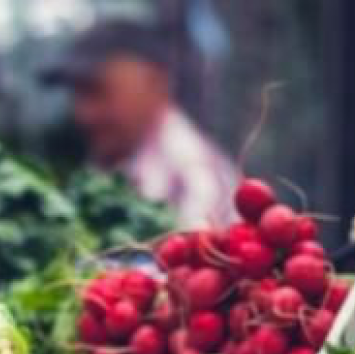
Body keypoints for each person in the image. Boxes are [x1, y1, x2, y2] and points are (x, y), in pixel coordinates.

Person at [44, 18, 237, 229]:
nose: (83, 114)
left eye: (97, 90)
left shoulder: (194, 181)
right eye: (77, 95)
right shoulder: (114, 166)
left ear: (156, 82)